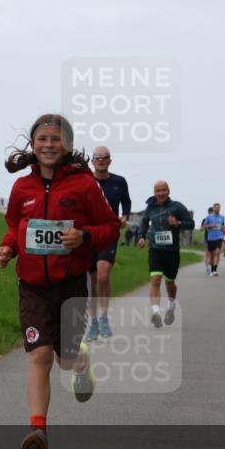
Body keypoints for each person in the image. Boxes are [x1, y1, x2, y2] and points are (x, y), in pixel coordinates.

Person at [0, 114, 120, 449]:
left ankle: (81, 363)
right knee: (40, 355)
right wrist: (7, 248)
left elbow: (111, 226)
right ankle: (38, 431)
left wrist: (84, 236)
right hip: (32, 286)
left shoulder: (84, 185)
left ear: (68, 145)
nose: (49, 145)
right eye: (42, 139)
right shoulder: (22, 187)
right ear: (33, 144)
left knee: (65, 360)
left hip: (70, 285)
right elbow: (14, 226)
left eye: (56, 139)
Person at [85, 146, 131, 342]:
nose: (101, 160)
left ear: (110, 161)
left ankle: (104, 317)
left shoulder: (119, 181)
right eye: (97, 157)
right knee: (91, 281)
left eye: (105, 157)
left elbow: (126, 202)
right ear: (92, 161)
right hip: (88, 234)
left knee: (103, 276)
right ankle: (93, 322)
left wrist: (125, 216)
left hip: (109, 232)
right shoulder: (86, 180)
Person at [136, 181, 194, 328]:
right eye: (158, 191)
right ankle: (156, 312)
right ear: (154, 192)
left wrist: (178, 223)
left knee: (170, 282)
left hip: (172, 251)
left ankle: (171, 305)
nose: (161, 193)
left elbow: (191, 224)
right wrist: (141, 237)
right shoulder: (150, 208)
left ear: (168, 191)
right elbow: (144, 223)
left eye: (163, 190)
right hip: (155, 249)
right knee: (155, 280)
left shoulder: (177, 206)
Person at [201, 203, 225, 276]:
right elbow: (203, 227)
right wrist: (211, 225)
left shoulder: (222, 217)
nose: (217, 209)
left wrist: (223, 228)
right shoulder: (209, 217)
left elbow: (222, 226)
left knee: (217, 253)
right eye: (216, 208)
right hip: (211, 238)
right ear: (214, 208)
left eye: (219, 208)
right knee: (211, 255)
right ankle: (211, 268)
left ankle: (215, 270)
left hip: (219, 237)